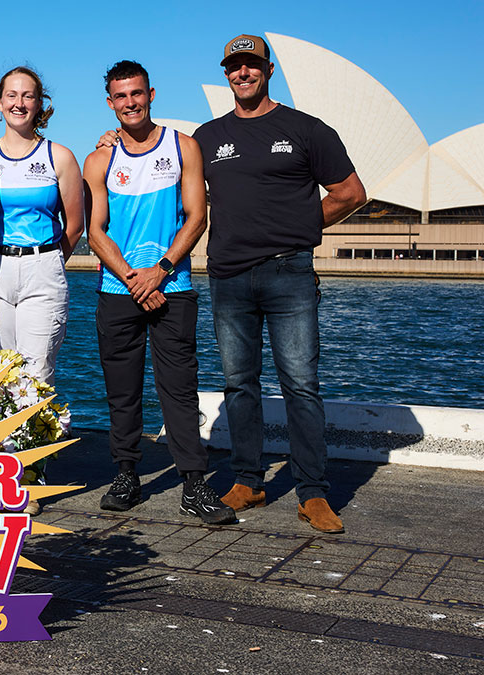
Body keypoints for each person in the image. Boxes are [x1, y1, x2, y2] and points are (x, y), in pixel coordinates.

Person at [195, 35, 366, 533]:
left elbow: (350, 192)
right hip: (228, 275)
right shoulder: (206, 137)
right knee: (239, 384)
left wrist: (299, 226)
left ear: (269, 70)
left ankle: (313, 492)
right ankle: (248, 481)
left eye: (251, 65)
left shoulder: (307, 130)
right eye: (234, 67)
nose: (242, 74)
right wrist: (112, 142)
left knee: (300, 384)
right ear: (227, 73)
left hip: (289, 272)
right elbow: (166, 175)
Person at [82, 60, 234, 525]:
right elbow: (95, 231)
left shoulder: (183, 147)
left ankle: (194, 483)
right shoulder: (99, 159)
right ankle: (126, 474)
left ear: (151, 94)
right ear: (110, 103)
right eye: (120, 96)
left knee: (179, 390)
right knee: (122, 391)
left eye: (137, 94)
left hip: (174, 286)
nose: (130, 103)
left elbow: (195, 217)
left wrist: (161, 269)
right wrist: (133, 277)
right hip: (118, 287)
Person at [0, 66, 84, 384]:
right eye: (11, 95)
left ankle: (36, 435)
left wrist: (48, 260)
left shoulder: (60, 156)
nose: (19, 103)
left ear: (39, 103)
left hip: (43, 270)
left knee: (37, 373)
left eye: (28, 96)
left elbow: (75, 224)